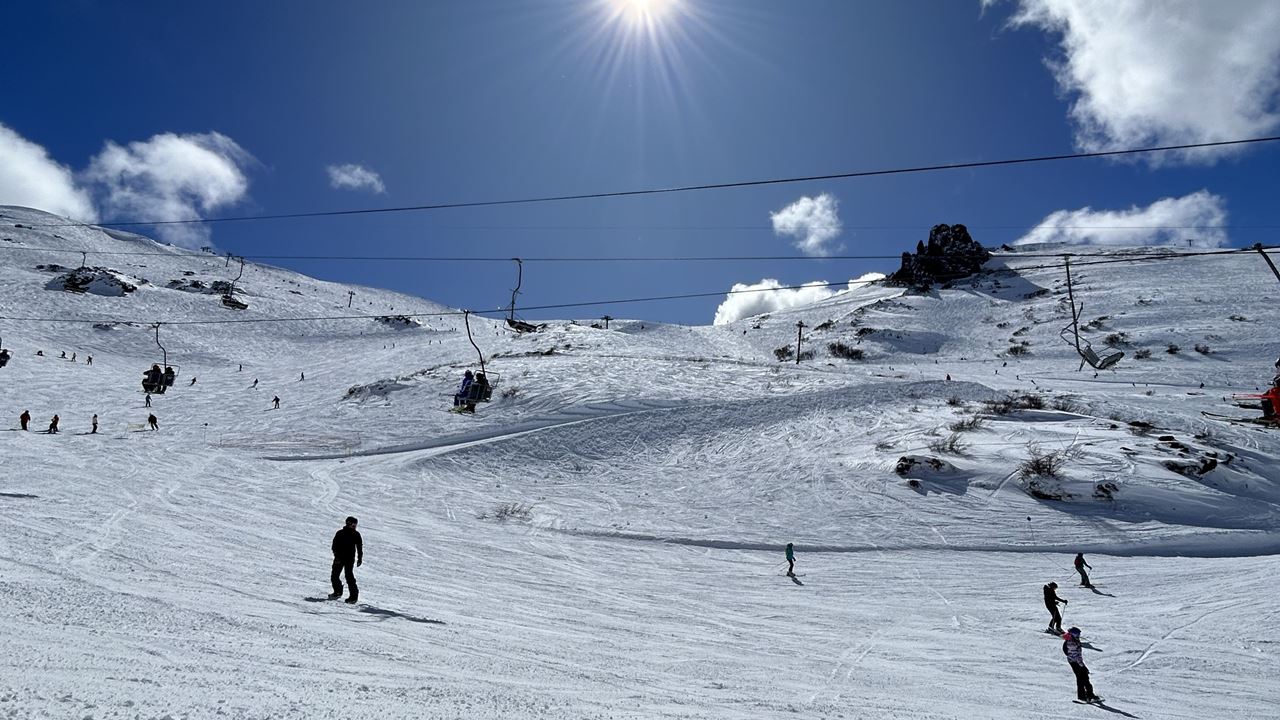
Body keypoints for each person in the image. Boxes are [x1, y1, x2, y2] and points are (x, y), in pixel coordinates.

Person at [329, 516, 364, 603]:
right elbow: (334, 545)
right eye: (353, 524)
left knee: (349, 576)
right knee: (334, 576)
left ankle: (353, 596)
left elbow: (359, 547)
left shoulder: (356, 534)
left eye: (356, 524)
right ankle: (337, 591)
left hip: (349, 559)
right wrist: (336, 555)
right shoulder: (340, 533)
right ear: (348, 523)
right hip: (339, 558)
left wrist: (359, 558)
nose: (355, 526)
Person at [1062, 627, 1100, 703]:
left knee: (1081, 678)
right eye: (1077, 634)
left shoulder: (1073, 640)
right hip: (1075, 662)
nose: (1079, 636)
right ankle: (1090, 695)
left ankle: (1082, 695)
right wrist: (1083, 666)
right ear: (1073, 635)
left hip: (1074, 662)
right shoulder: (1072, 643)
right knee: (1084, 678)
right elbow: (1077, 656)